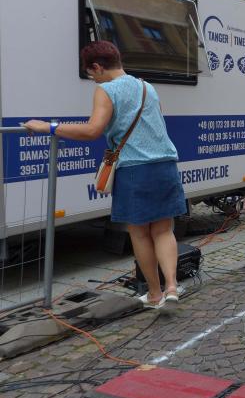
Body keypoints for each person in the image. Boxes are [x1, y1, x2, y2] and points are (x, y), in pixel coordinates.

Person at [25, 41, 185, 310]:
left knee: (140, 234)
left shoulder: (106, 90)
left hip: (134, 168)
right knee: (163, 230)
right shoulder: (147, 87)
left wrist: (48, 127)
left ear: (98, 67)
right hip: (165, 165)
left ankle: (154, 294)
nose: (93, 79)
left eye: (91, 74)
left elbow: (92, 130)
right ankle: (171, 286)